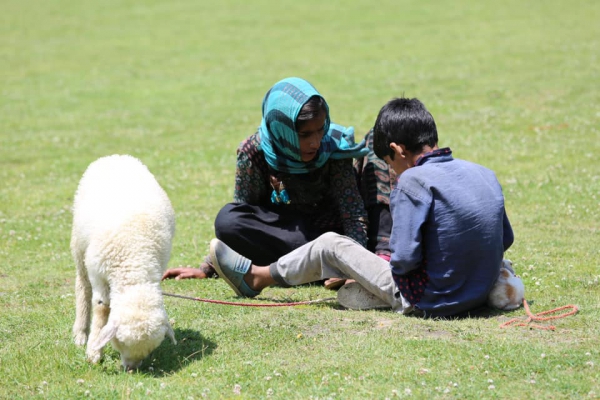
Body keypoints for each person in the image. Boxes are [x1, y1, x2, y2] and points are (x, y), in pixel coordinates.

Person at [206, 97, 515, 318]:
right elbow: (505, 240)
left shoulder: (413, 181)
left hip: (427, 300)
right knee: (347, 293)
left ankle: (256, 278)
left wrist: (366, 273)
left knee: (329, 244)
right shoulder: (484, 173)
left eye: (390, 164)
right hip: (477, 293)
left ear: (395, 150)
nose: (392, 173)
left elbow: (405, 260)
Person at [163, 77, 370, 287]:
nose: (315, 142)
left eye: (319, 130)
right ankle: (312, 268)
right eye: (305, 134)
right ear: (282, 128)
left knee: (331, 241)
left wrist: (353, 266)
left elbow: (353, 214)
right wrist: (208, 267)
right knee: (229, 219)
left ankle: (314, 267)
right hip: (285, 234)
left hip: (327, 237)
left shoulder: (335, 148)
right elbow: (246, 216)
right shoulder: (253, 152)